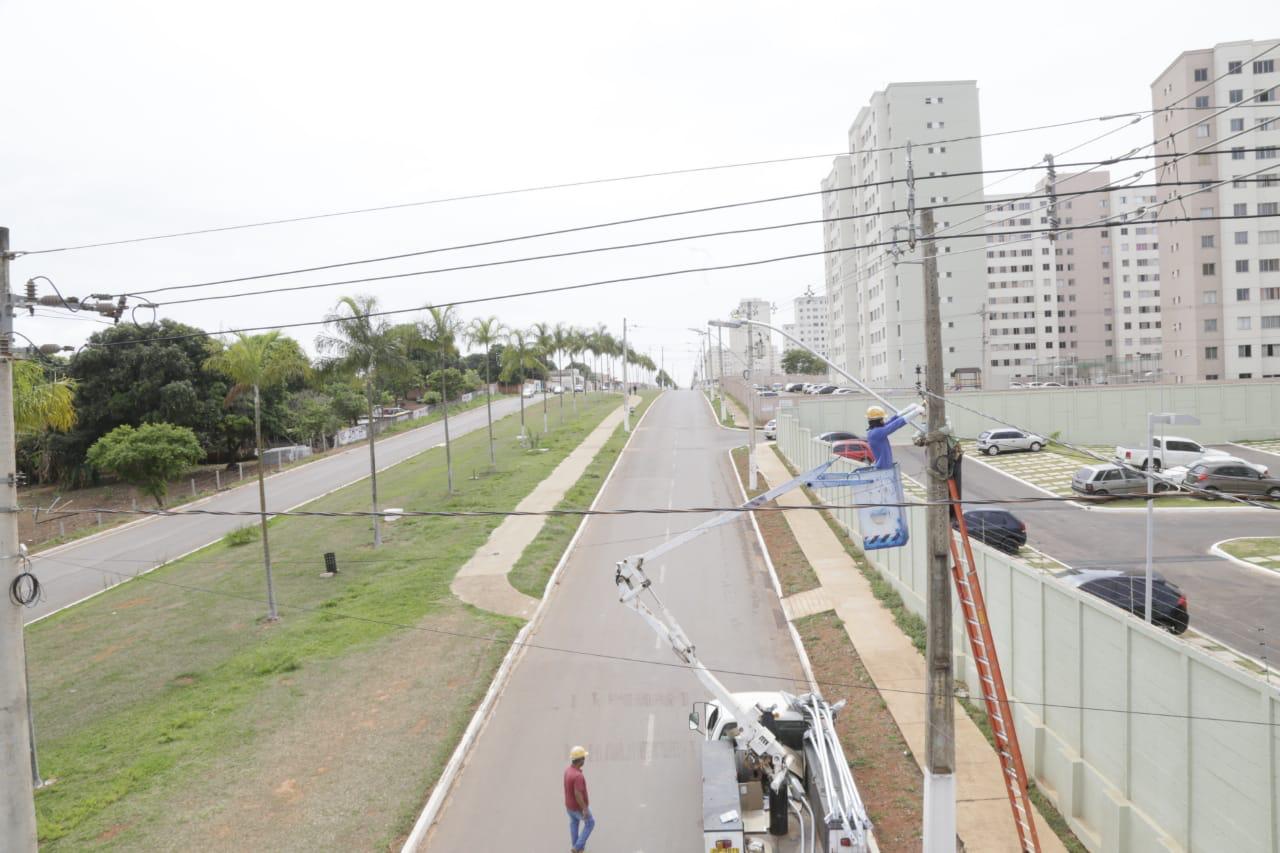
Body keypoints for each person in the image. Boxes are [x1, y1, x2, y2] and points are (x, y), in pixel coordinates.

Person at [864, 403, 925, 470]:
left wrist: (908, 409)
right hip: (883, 470)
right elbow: (896, 424)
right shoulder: (877, 433)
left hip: (883, 468)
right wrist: (915, 412)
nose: (883, 421)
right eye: (882, 419)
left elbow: (891, 421)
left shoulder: (873, 431)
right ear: (878, 421)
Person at [564, 745, 594, 852]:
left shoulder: (568, 771)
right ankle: (577, 847)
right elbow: (578, 794)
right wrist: (585, 809)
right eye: (583, 758)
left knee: (574, 823)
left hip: (569, 807)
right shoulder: (578, 776)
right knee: (590, 822)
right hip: (577, 808)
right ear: (580, 760)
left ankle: (576, 846)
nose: (584, 760)